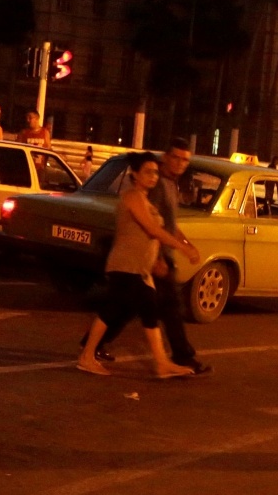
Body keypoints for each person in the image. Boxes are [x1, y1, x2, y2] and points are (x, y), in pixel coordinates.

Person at [75, 153, 202, 380]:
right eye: (148, 172)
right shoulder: (132, 197)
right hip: (125, 265)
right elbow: (153, 230)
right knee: (113, 310)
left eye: (155, 172)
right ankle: (87, 356)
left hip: (141, 269)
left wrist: (186, 244)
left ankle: (162, 363)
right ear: (135, 174)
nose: (153, 177)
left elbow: (166, 227)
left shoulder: (147, 200)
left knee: (146, 311)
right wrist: (183, 250)